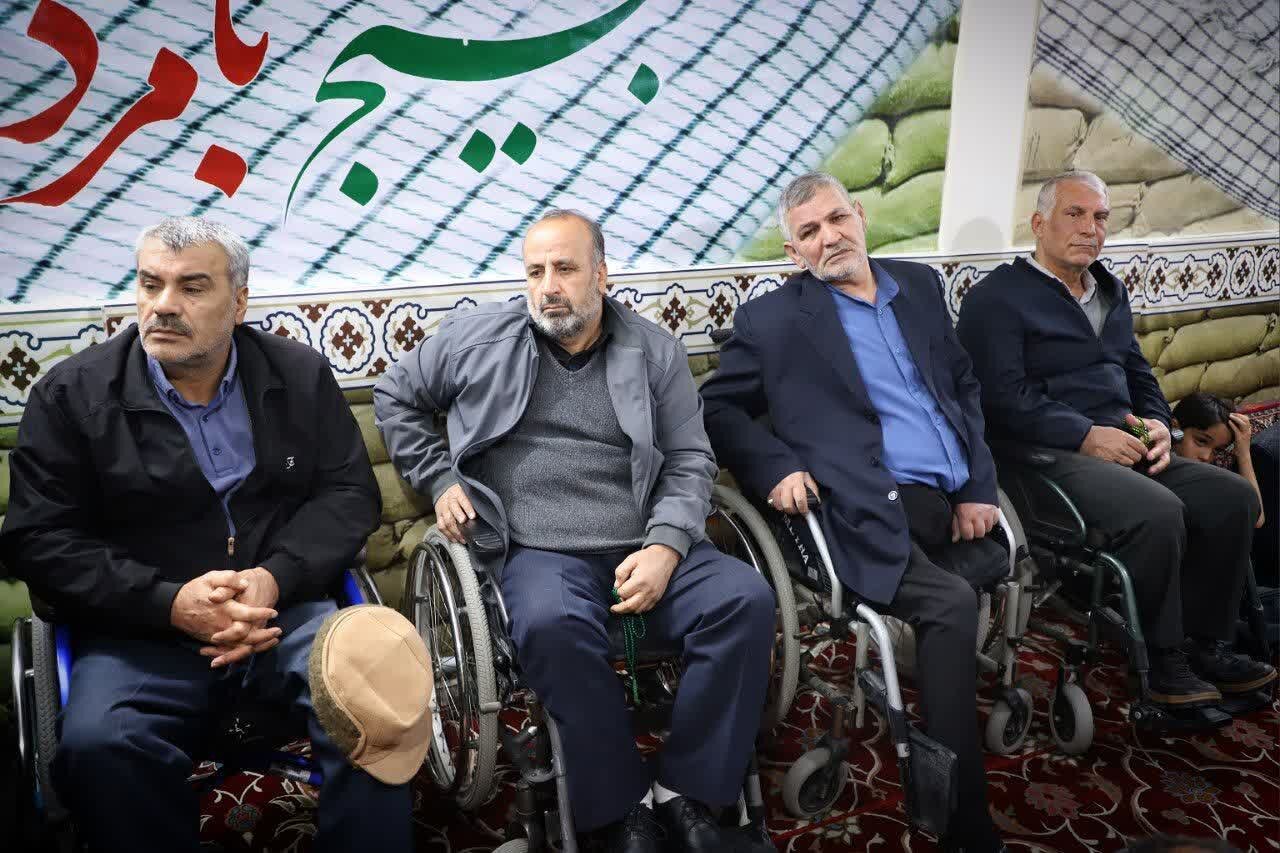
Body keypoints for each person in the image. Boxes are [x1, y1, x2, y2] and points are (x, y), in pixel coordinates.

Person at [0, 217, 413, 852]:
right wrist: (170, 602)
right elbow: (41, 539)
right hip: (140, 631)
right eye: (150, 284)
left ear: (239, 301)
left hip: (286, 613)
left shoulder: (298, 375)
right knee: (100, 746)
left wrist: (273, 577)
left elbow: (348, 494)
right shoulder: (71, 396)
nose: (163, 305)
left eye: (192, 287)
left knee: (376, 698)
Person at [374, 209, 775, 853]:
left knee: (745, 599)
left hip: (644, 539)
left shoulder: (654, 350)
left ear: (602, 274)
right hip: (539, 550)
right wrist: (440, 479)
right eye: (535, 272)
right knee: (552, 625)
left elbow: (690, 459)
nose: (548, 287)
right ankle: (620, 808)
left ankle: (689, 793)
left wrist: (665, 546)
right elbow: (395, 394)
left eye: (564, 269)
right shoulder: (478, 340)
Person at [700, 172, 1005, 853]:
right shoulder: (772, 321)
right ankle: (964, 823)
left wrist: (979, 485)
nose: (830, 236)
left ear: (860, 215)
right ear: (793, 252)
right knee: (951, 603)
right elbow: (719, 409)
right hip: (862, 506)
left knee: (986, 572)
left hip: (949, 499)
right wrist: (776, 466)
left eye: (837, 218)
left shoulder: (918, 287)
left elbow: (963, 387)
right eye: (809, 231)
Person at [956, 170, 1276, 712]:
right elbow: (999, 399)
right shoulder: (996, 299)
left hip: (1125, 442)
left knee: (1233, 497)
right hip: (1044, 457)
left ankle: (1208, 644)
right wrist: (1084, 435)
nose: (1090, 228)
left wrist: (1159, 424)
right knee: (1159, 510)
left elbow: (1137, 371)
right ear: (1039, 224)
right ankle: (1163, 659)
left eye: (1100, 217)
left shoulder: (1109, 289)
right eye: (1074, 214)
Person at [1170, 392, 1264, 528]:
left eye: (1217, 450)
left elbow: (1257, 519)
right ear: (1175, 428)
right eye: (1201, 441)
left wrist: (1243, 453)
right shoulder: (1153, 465)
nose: (1206, 457)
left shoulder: (1209, 476)